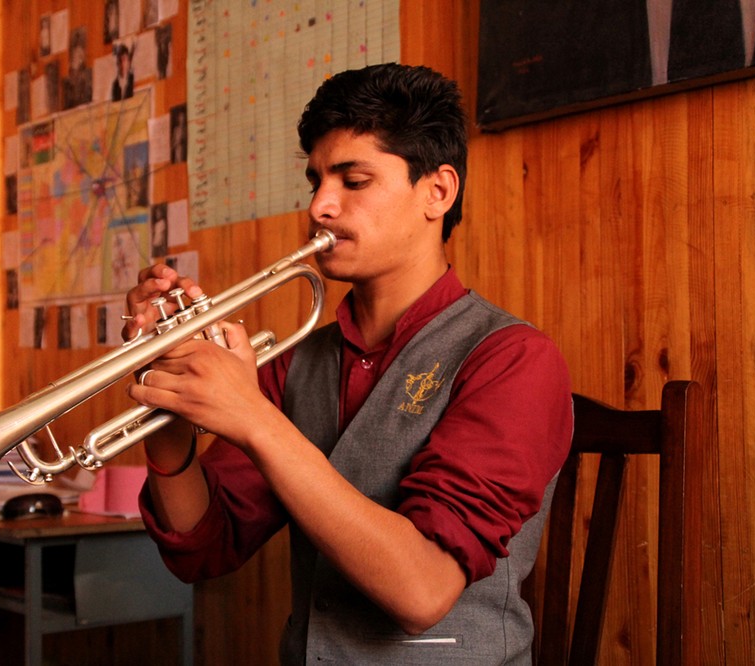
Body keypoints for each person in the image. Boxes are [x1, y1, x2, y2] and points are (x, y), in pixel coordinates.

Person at [123, 63, 573, 664]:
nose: (320, 206)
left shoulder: (514, 359)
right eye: (315, 181)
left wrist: (252, 417)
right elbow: (204, 548)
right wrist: (169, 411)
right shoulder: (299, 362)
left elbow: (422, 590)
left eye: (354, 181)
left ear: (438, 192)